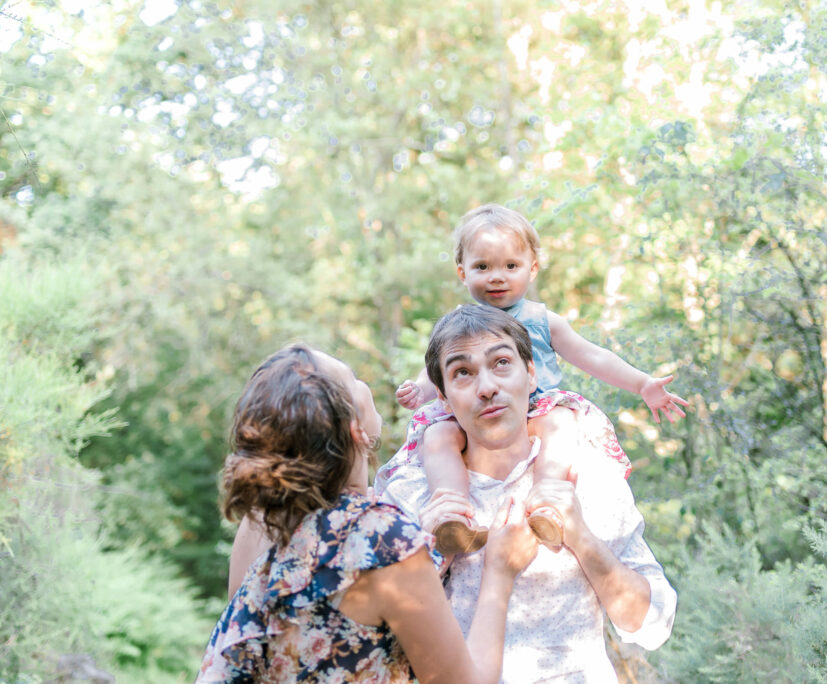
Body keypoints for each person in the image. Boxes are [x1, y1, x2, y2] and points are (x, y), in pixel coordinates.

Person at [197, 343, 539, 683]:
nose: (365, 384)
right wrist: (499, 573)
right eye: (354, 378)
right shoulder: (380, 538)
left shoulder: (260, 522)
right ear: (355, 428)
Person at [377, 305, 678, 683]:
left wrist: (581, 536)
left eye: (501, 362)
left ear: (531, 372)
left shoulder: (587, 477)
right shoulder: (411, 495)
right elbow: (372, 642)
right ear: (442, 397)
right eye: (463, 373)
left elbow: (651, 626)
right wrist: (429, 555)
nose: (487, 387)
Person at [395, 203, 689, 553]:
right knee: (438, 433)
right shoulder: (458, 324)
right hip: (478, 411)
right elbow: (441, 371)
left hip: (537, 408)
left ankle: (548, 502)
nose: (497, 276)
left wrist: (641, 384)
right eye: (482, 267)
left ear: (531, 269)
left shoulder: (542, 319)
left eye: (511, 266)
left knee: (561, 423)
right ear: (462, 273)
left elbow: (592, 355)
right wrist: (420, 388)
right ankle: (452, 514)